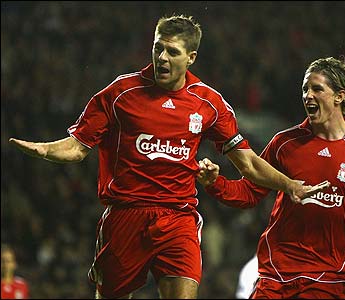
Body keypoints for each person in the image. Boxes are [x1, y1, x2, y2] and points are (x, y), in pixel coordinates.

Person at [8, 14, 326, 299]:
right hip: (126, 216)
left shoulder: (208, 103)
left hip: (178, 217)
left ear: (191, 57)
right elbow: (78, 148)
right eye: (158, 48)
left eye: (172, 51)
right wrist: (45, 149)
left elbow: (248, 163)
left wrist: (289, 185)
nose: (162, 57)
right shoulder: (120, 93)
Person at [197, 57, 345, 299]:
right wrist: (214, 183)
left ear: (339, 96)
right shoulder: (285, 144)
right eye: (305, 89)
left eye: (317, 89)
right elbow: (248, 194)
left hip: (328, 279)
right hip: (276, 274)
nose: (308, 96)